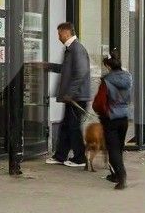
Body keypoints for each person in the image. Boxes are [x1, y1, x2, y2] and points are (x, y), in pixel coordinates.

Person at [46, 22, 92, 168]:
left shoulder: (76, 49)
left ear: (66, 33)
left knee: (73, 127)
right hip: (73, 97)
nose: (58, 37)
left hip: (77, 97)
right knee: (66, 127)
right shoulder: (71, 49)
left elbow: (81, 73)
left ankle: (80, 158)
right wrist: (48, 66)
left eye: (59, 34)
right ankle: (60, 156)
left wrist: (70, 93)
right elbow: (66, 69)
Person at [94, 52, 132, 190]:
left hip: (111, 118)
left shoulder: (107, 80)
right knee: (119, 147)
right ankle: (115, 175)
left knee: (113, 149)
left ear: (108, 66)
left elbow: (99, 102)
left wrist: (100, 111)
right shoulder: (128, 78)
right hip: (124, 117)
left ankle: (121, 177)